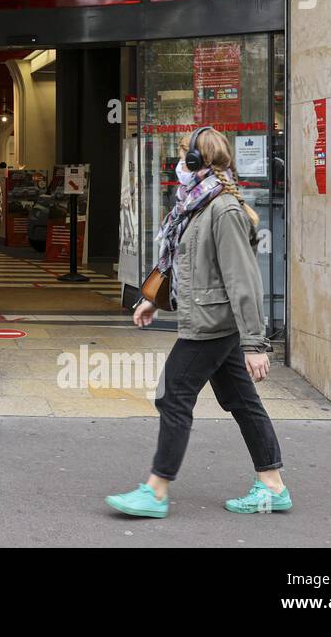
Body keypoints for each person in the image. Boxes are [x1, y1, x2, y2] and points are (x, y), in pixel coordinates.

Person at [106, 126, 290, 518]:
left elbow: (243, 279)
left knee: (174, 396)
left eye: (183, 155)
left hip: (211, 324)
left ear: (196, 161)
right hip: (209, 317)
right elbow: (190, 263)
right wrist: (155, 300)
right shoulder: (197, 204)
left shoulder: (222, 209)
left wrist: (255, 345)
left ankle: (156, 491)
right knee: (241, 401)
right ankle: (272, 483)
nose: (178, 163)